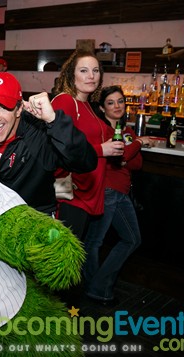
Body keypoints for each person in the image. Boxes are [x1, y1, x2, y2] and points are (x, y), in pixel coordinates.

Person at [0, 72, 97, 216]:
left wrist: (53, 121)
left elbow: (86, 162)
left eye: (4, 107)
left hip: (34, 219)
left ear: (19, 109)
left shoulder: (38, 133)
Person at [83, 85, 153, 306]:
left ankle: (94, 286)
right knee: (97, 241)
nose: (117, 106)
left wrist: (129, 149)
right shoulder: (103, 130)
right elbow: (120, 158)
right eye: (111, 103)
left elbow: (135, 163)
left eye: (120, 101)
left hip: (119, 191)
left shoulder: (126, 131)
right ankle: (97, 288)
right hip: (107, 189)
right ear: (102, 108)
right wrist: (138, 143)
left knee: (123, 239)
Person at [51, 49, 125, 241]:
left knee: (75, 256)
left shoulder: (88, 105)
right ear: (71, 74)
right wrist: (102, 149)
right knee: (62, 257)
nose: (91, 76)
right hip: (70, 195)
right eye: (84, 71)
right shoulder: (65, 101)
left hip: (88, 193)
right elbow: (58, 149)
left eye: (96, 70)